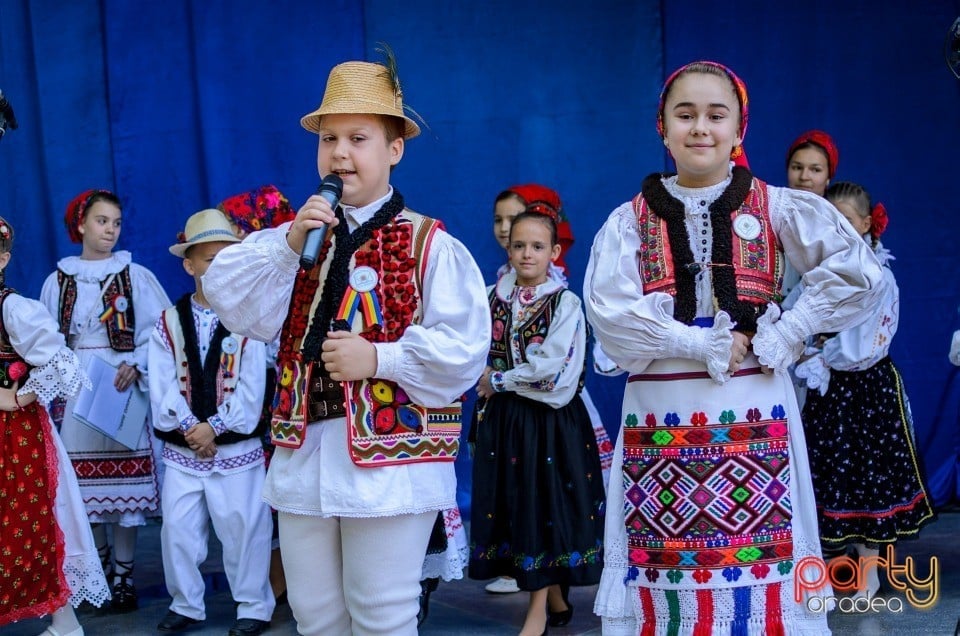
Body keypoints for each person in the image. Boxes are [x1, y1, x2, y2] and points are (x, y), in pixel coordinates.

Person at [584, 61, 885, 635]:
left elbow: (857, 274)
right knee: (666, 562)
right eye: (686, 114)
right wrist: (694, 341)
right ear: (662, 127)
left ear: (739, 131)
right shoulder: (629, 221)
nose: (701, 127)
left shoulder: (776, 206)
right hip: (660, 413)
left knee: (763, 562)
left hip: (755, 406)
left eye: (716, 116)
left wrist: (788, 330)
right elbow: (611, 317)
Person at [201, 51, 490, 636]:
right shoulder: (301, 238)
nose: (339, 153)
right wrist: (287, 244)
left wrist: (379, 357)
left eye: (359, 138)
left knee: (381, 611)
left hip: (391, 463)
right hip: (304, 453)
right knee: (315, 615)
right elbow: (226, 297)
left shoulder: (428, 242)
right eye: (329, 138)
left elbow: (464, 349)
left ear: (395, 149)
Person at [794, 182, 935, 598]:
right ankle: (831, 571)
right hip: (829, 393)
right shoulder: (817, 276)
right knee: (829, 474)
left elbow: (866, 344)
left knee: (867, 479)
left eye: (848, 222)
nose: (840, 230)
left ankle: (870, 572)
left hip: (866, 390)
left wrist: (822, 354)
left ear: (867, 224)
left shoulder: (880, 277)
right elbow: (797, 316)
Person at [469, 211, 605, 636]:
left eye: (537, 246)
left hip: (549, 422)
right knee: (512, 505)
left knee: (543, 508)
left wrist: (499, 379)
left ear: (554, 252)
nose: (527, 254)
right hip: (504, 422)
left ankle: (537, 612)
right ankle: (555, 597)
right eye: (519, 245)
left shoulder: (565, 303)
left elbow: (554, 374)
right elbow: (472, 352)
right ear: (507, 249)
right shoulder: (490, 296)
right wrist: (488, 380)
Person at [40, 189, 170, 614]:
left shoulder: (134, 276)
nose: (110, 230)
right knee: (85, 491)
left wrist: (136, 363)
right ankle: (100, 570)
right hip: (77, 387)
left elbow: (161, 329)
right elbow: (45, 340)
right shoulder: (58, 280)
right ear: (80, 225)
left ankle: (125, 577)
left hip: (118, 382)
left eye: (115, 222)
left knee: (123, 490)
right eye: (101, 221)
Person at [148, 208, 274, 635]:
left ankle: (253, 606)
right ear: (189, 264)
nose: (217, 266)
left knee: (244, 528)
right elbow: (162, 382)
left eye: (226, 257)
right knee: (179, 531)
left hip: (236, 447)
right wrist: (190, 427)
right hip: (185, 450)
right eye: (207, 259)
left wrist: (215, 427)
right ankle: (185, 603)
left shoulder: (251, 319)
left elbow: (253, 389)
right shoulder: (167, 321)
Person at [0, 215, 110, 636]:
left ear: (4, 258)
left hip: (17, 436)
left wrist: (17, 396)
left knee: (39, 520)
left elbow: (64, 364)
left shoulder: (13, 308)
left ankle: (65, 622)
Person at [217, 184, 297, 606]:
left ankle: (290, 576)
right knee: (265, 495)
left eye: (237, 231)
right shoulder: (252, 274)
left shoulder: (294, 272)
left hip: (288, 395)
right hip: (260, 398)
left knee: (287, 492)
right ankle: (275, 577)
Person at [785, 129, 839, 197]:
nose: (803, 177)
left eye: (815, 170)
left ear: (828, 177)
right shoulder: (771, 206)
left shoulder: (838, 207)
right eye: (798, 168)